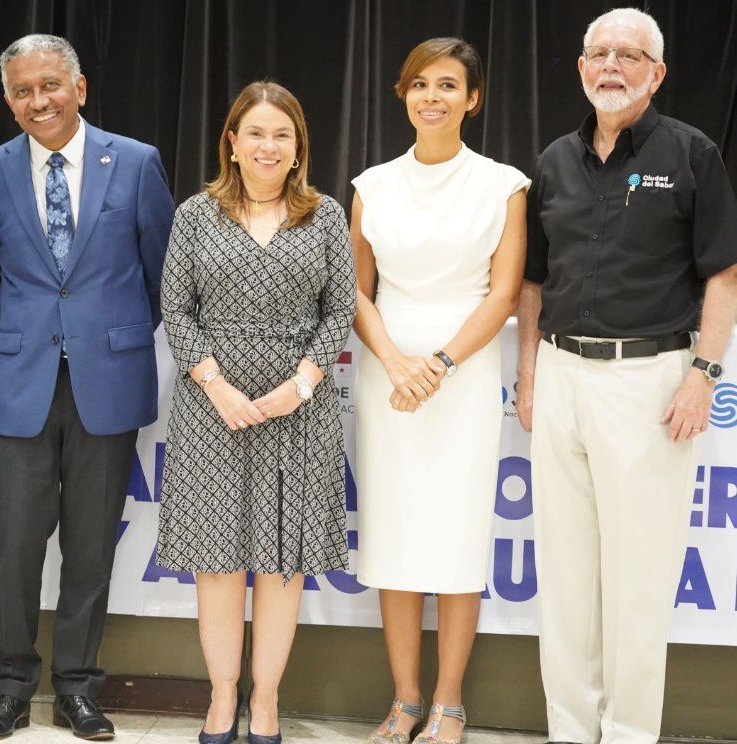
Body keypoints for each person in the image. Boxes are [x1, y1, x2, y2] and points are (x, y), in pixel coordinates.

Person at [516, 8, 737, 744]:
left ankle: (630, 734)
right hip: (560, 375)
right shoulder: (553, 161)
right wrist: (528, 374)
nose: (611, 66)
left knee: (638, 578)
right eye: (599, 54)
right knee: (566, 576)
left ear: (657, 72)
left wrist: (703, 375)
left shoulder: (692, 153)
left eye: (629, 56)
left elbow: (724, 275)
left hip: (649, 382)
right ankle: (571, 730)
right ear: (582, 67)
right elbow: (533, 280)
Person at [0, 34, 174, 741]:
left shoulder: (136, 162)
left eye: (50, 85)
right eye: (23, 91)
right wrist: (35, 335)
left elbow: (161, 273)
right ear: (8, 101)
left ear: (79, 88)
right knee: (15, 548)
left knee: (91, 548)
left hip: (107, 383)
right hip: (22, 380)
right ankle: (10, 689)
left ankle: (78, 689)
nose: (39, 101)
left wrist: (103, 336)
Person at [156, 81, 355, 744]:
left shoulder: (324, 216)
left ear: (298, 148)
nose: (268, 146)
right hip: (210, 410)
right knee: (217, 561)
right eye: (256, 134)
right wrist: (216, 386)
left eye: (281, 135)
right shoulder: (196, 214)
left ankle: (264, 701)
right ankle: (222, 698)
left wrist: (301, 384)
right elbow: (176, 308)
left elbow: (341, 309)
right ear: (233, 144)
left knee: (280, 562)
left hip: (298, 410)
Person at [351, 38, 528, 744]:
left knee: (456, 538)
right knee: (394, 535)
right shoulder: (372, 184)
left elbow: (504, 293)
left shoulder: (504, 184)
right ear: (403, 94)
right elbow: (357, 291)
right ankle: (404, 700)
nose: (433, 96)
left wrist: (440, 364)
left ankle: (449, 703)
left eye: (448, 85)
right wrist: (398, 363)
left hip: (466, 372)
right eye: (420, 83)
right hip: (387, 373)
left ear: (472, 98)